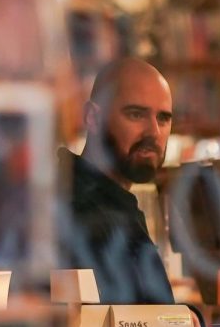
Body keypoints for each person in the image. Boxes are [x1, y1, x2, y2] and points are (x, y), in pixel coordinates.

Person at [59, 57, 176, 304]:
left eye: (163, 118)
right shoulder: (76, 205)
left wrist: (185, 317)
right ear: (92, 118)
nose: (154, 132)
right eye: (136, 114)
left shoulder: (114, 202)